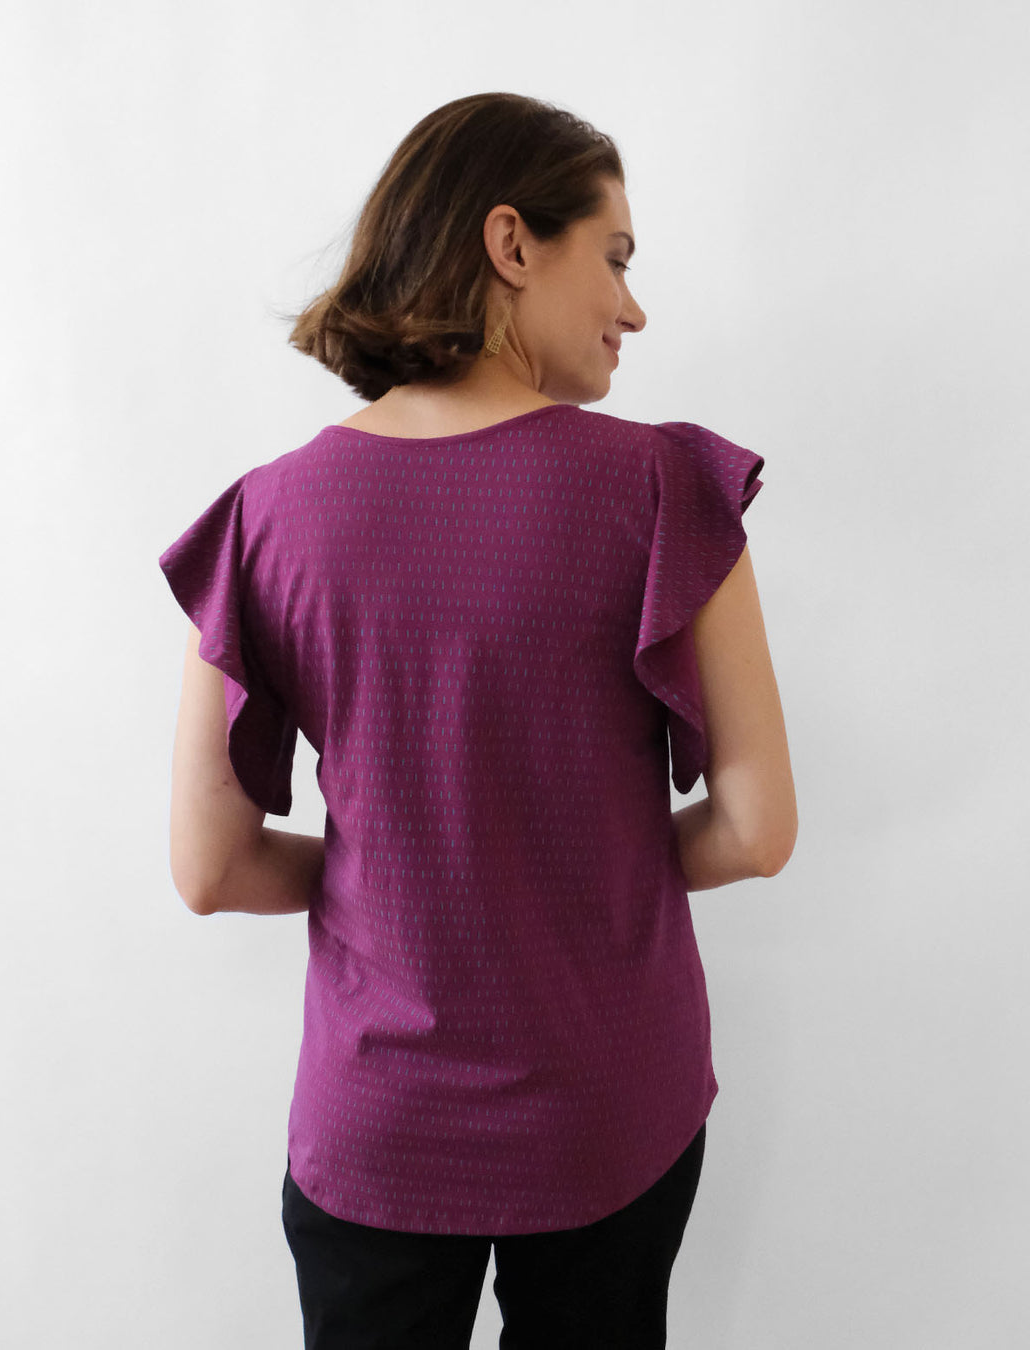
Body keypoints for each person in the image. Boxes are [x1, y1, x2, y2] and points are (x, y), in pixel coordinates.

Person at [159, 92, 796, 1350]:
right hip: (606, 1109)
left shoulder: (264, 521)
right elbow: (756, 830)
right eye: (614, 257)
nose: (633, 308)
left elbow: (209, 868)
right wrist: (576, 866)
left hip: (377, 1124)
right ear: (512, 244)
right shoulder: (663, 492)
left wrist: (398, 873)